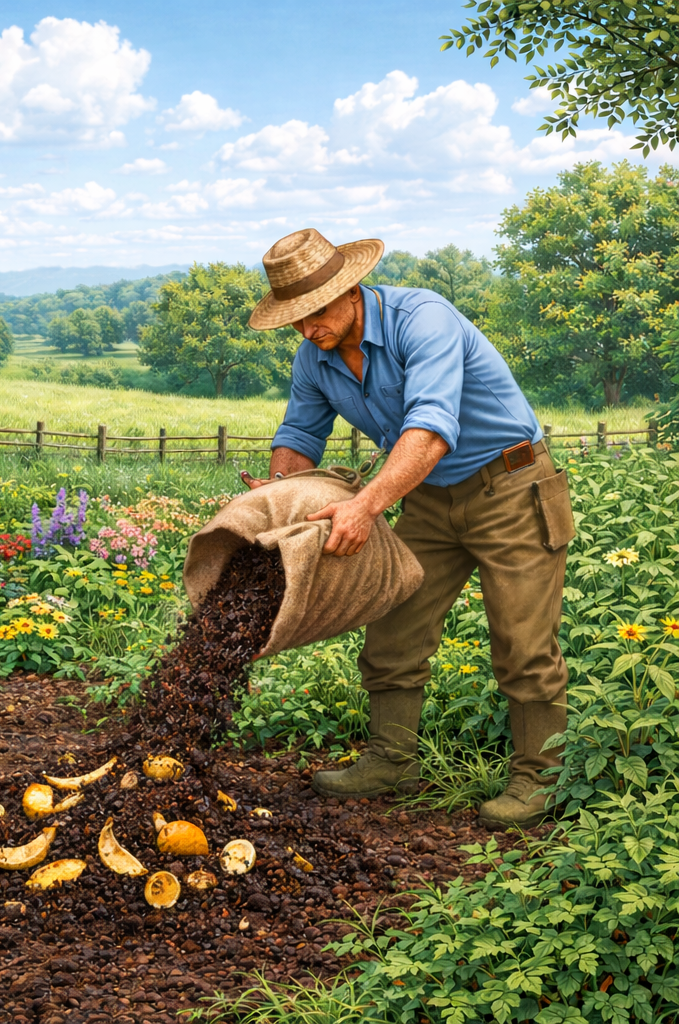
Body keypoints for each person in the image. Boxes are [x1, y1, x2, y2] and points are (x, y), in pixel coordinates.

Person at [242, 228, 575, 830]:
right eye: (294, 320)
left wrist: (364, 507)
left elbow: (430, 429)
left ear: (350, 291)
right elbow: (298, 436)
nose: (306, 329)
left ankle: (540, 780)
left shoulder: (423, 319)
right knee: (394, 623)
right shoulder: (314, 356)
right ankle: (392, 760)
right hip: (425, 496)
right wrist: (276, 499)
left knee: (523, 642)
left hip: (512, 486)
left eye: (314, 313)